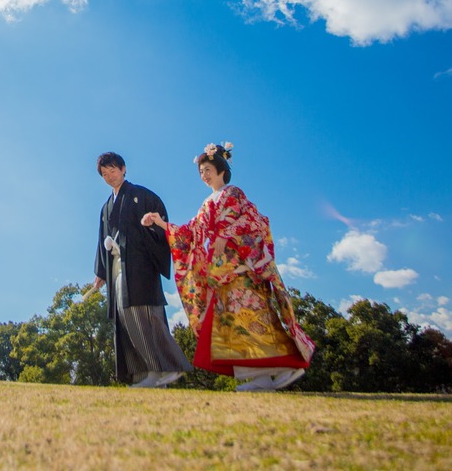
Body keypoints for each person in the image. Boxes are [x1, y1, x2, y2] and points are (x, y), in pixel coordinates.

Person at [142, 142, 314, 392]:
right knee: (233, 325)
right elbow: (190, 232)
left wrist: (227, 233)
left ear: (222, 169)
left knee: (254, 318)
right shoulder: (205, 204)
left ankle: (284, 365)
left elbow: (254, 219)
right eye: (201, 171)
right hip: (219, 273)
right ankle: (259, 378)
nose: (204, 174)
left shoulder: (233, 193)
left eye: (208, 168)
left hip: (241, 269)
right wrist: (160, 223)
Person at [92, 151, 191, 388]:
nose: (109, 176)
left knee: (145, 315)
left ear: (124, 169)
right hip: (116, 267)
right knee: (125, 319)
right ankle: (142, 374)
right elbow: (101, 241)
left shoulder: (141, 195)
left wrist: (152, 224)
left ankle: (167, 367)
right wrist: (100, 272)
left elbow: (160, 222)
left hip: (139, 267)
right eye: (105, 174)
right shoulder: (105, 208)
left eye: (113, 170)